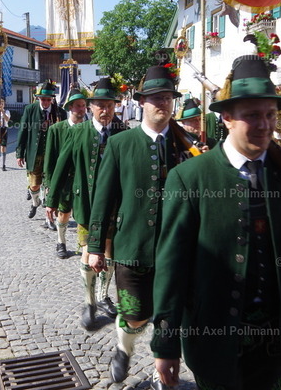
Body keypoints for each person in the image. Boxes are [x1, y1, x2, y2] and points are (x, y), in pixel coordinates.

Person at [150, 55, 281, 390]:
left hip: (273, 343)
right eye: (252, 115)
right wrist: (166, 344)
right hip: (214, 341)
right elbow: (171, 268)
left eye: (270, 114)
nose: (264, 125)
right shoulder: (190, 178)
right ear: (227, 118)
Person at [86, 65, 195, 387]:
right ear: (142, 102)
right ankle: (124, 349)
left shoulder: (187, 146)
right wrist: (96, 246)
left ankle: (164, 376)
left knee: (170, 316)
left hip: (176, 251)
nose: (163, 103)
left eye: (168, 97)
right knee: (135, 315)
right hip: (132, 248)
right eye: (156, 98)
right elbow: (103, 198)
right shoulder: (121, 144)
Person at [46, 78, 129, 328]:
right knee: (88, 249)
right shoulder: (78, 132)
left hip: (116, 204)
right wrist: (52, 200)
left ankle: (103, 295)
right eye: (100, 105)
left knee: (109, 250)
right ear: (91, 107)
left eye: (110, 105)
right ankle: (89, 301)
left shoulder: (124, 132)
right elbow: (62, 166)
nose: (106, 110)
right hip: (86, 203)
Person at [42, 89, 88, 259]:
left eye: (84, 105)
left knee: (84, 215)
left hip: (83, 180)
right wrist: (49, 186)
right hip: (64, 181)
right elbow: (50, 160)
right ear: (70, 107)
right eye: (78, 106)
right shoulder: (57, 129)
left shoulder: (89, 129)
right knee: (63, 213)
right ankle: (61, 242)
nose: (82, 109)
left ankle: (85, 248)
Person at [16, 81, 67, 220]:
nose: (45, 102)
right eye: (43, 99)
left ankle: (48, 217)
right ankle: (35, 202)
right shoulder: (30, 109)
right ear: (38, 98)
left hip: (53, 155)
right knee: (34, 185)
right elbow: (23, 131)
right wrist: (20, 153)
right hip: (35, 153)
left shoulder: (60, 113)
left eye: (48, 100)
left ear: (52, 100)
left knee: (49, 184)